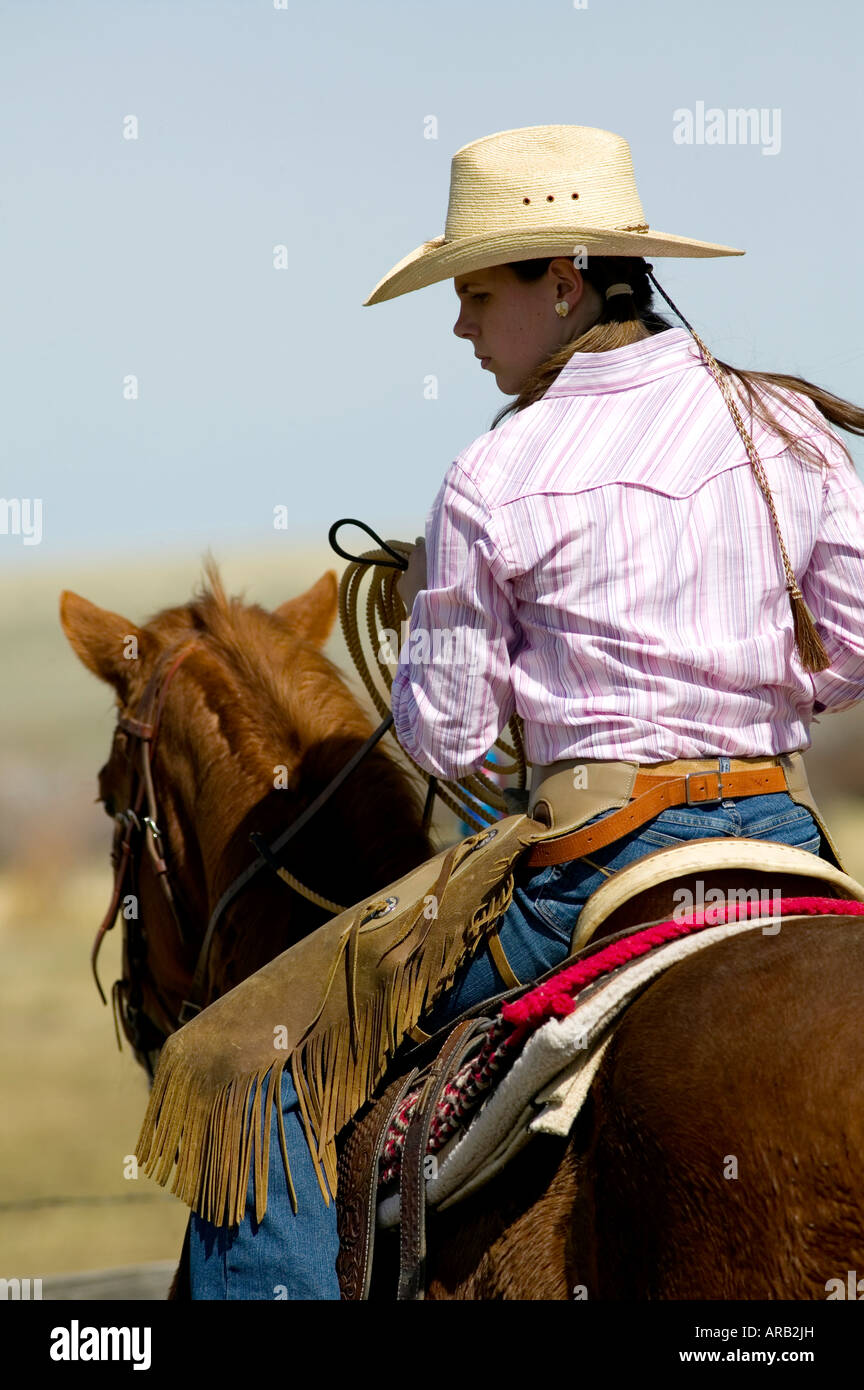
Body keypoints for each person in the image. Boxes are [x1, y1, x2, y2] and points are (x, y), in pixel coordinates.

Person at [188, 124, 864, 1298]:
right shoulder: (784, 426)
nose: (459, 327)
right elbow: (853, 649)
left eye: (475, 293)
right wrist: (741, 696)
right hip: (786, 842)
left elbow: (445, 737)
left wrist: (442, 621)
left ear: (561, 283)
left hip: (592, 866)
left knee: (255, 1077)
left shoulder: (496, 475)